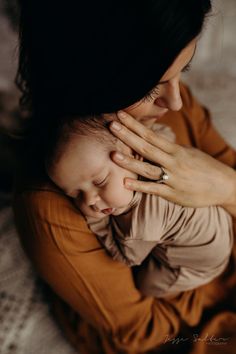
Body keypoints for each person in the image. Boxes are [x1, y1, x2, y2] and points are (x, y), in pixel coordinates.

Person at [13, 1, 236, 353]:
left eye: (183, 71)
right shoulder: (51, 212)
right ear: (96, 80)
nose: (176, 101)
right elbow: (142, 332)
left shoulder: (169, 111)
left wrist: (226, 186)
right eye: (152, 86)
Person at [45, 112, 233, 299]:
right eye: (76, 195)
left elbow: (126, 257)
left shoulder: (139, 226)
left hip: (201, 265)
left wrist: (96, 222)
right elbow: (165, 130)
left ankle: (187, 292)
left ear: (134, 154)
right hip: (221, 224)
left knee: (147, 285)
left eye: (100, 182)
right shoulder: (158, 146)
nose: (90, 201)